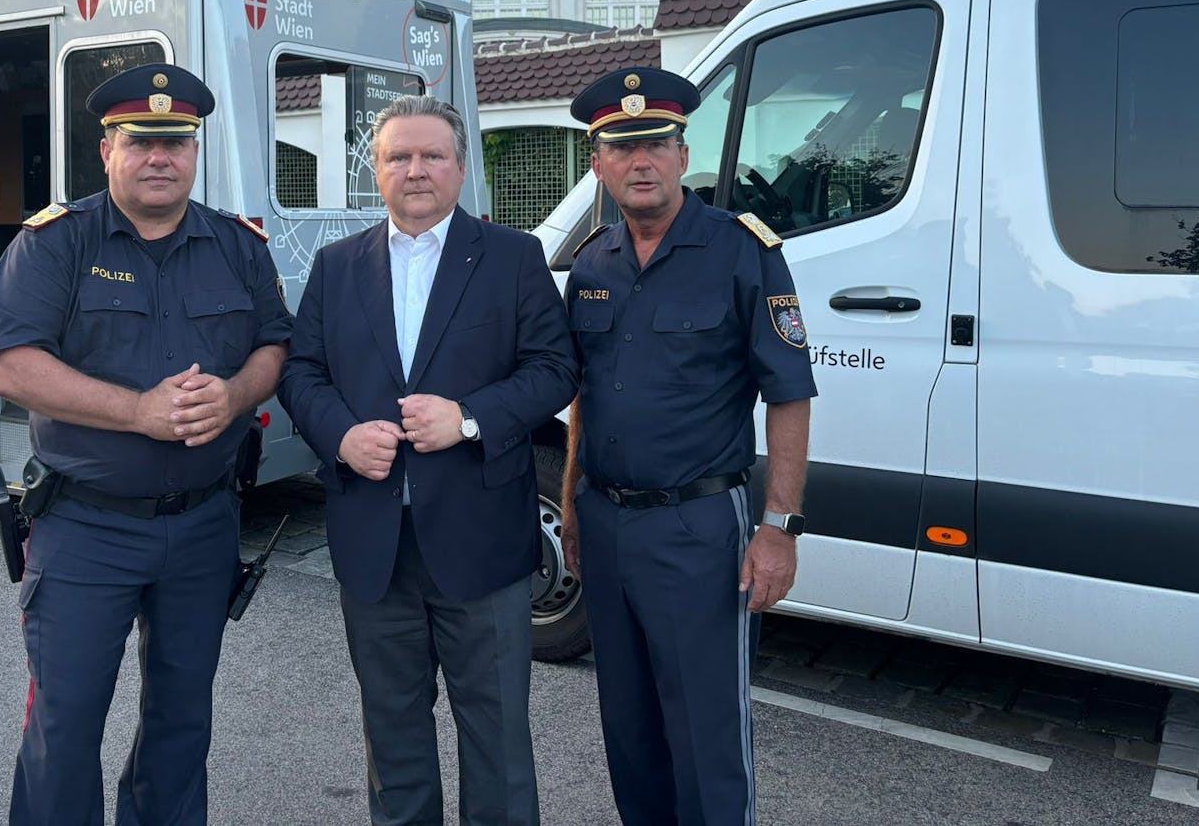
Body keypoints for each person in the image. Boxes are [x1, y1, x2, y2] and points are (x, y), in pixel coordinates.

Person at [0, 63, 292, 826]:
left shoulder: (237, 246)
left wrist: (236, 393)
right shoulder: (57, 243)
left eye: (176, 142)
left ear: (194, 150)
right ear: (108, 147)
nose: (160, 157)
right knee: (66, 720)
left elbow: (274, 346)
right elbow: (10, 365)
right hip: (86, 526)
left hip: (204, 525)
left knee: (183, 723)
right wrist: (138, 411)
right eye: (142, 140)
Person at [278, 95, 577, 826]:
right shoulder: (337, 265)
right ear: (375, 172)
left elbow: (554, 369)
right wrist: (342, 435)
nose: (416, 170)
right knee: (395, 746)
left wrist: (470, 417)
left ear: (461, 165)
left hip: (482, 545)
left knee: (498, 750)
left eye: (432, 155)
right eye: (398, 157)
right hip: (374, 550)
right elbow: (300, 373)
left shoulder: (512, 257)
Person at [559, 67, 816, 826]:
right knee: (629, 731)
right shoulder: (593, 264)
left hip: (698, 529)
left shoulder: (743, 252)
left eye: (655, 144)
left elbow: (790, 393)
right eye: (621, 147)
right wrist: (573, 502)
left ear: (682, 152)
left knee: (706, 736)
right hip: (604, 523)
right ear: (598, 164)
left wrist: (780, 526)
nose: (640, 161)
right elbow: (583, 395)